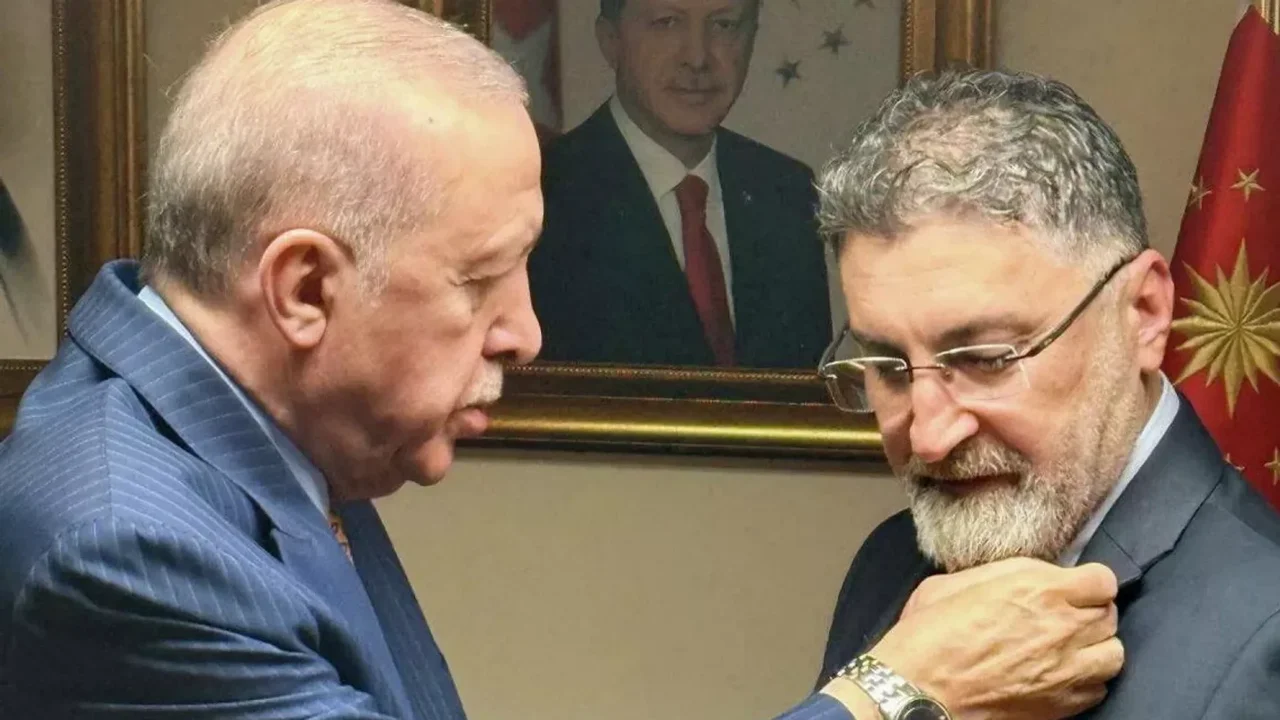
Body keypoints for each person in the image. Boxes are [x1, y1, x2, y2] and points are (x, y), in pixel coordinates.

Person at [0, 2, 1119, 718]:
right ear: (302, 290)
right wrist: (893, 693)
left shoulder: (271, 423)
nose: (527, 333)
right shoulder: (127, 556)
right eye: (480, 279)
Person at [814, 68, 1280, 719]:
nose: (928, 436)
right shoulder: (889, 564)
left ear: (1144, 314)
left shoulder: (1265, 637)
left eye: (985, 359)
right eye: (889, 367)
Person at [527, 0, 832, 368]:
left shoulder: (788, 193)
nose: (697, 58)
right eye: (667, 22)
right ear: (610, 40)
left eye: (724, 25)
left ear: (752, 38)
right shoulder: (545, 194)